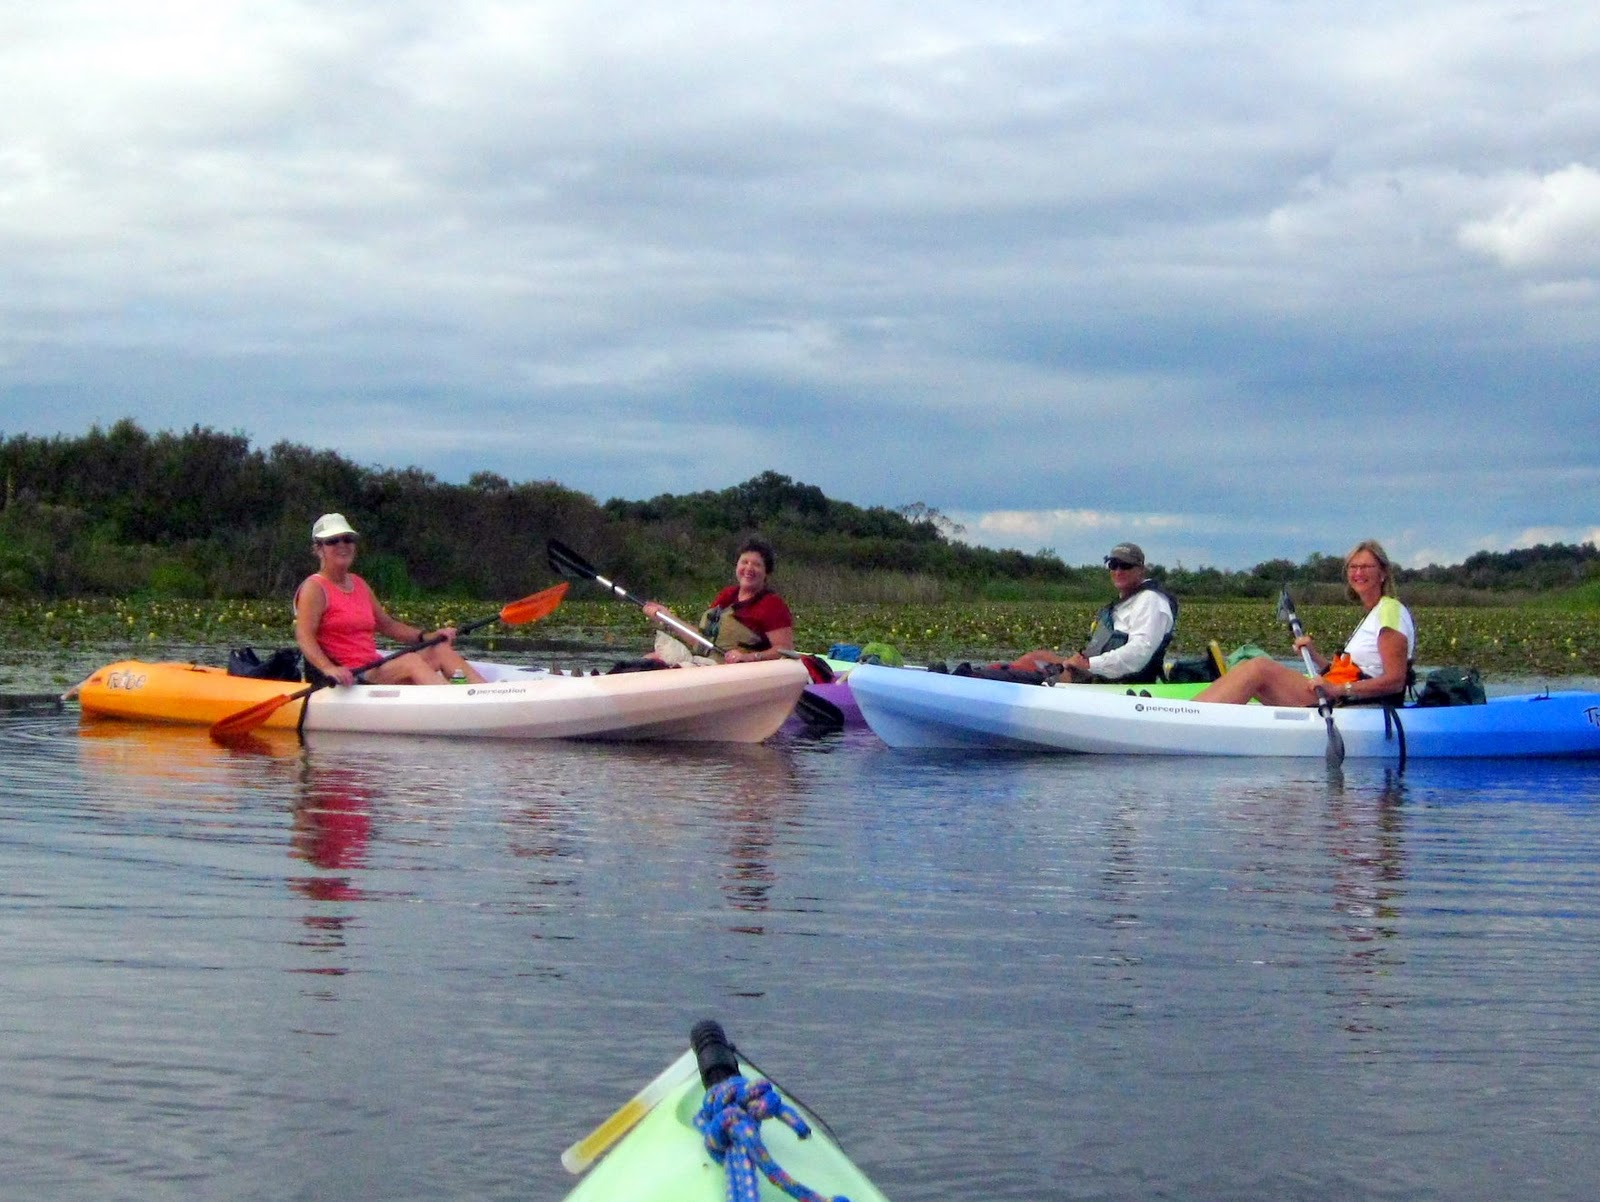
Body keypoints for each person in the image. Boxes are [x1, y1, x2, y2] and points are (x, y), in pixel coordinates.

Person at [1195, 539, 1415, 706]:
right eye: (1353, 567)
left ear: (1383, 573)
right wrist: (1313, 655)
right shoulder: (1373, 614)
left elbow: (1395, 681)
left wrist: (1337, 690)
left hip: (1357, 705)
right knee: (1245, 666)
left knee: (1259, 668)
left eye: (1366, 567)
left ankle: (1192, 718)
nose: (1358, 573)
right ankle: (1194, 713)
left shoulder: (1390, 611)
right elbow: (1344, 671)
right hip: (1339, 696)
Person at [293, 513, 486, 687]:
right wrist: (328, 668)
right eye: (333, 541)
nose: (342, 545)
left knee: (440, 649)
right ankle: (456, 705)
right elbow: (304, 636)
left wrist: (427, 637)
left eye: (348, 539)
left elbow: (387, 625)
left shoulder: (359, 583)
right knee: (411, 661)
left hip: (374, 665)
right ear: (318, 549)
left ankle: (485, 694)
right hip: (353, 675)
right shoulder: (314, 588)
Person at [1005, 542, 1179, 684]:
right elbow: (1093, 649)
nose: (1118, 571)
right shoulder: (1122, 604)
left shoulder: (1151, 600)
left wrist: (1089, 664)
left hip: (1124, 683)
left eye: (1125, 566)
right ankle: (990, 678)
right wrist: (1076, 662)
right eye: (1113, 565)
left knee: (1037, 670)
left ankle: (1003, 686)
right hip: (1097, 676)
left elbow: (1139, 654)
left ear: (1141, 570)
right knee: (1036, 657)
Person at [641, 537, 795, 665]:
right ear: (737, 566)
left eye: (756, 565)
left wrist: (748, 657)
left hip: (735, 673)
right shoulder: (726, 595)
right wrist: (667, 616)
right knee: (650, 659)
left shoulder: (772, 605)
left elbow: (784, 649)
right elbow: (701, 640)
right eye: (744, 562)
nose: (749, 568)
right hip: (704, 663)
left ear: (766, 572)